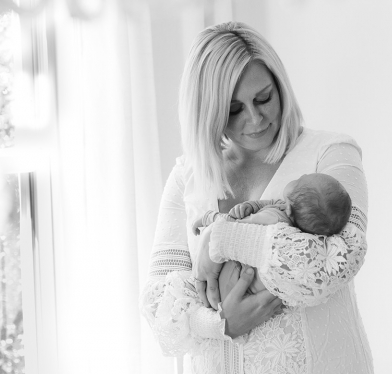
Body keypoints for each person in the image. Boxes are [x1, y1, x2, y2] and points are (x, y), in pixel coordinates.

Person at [140, 22, 372, 374]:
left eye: (264, 98)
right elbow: (159, 306)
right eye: (234, 109)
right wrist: (220, 324)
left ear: (281, 87)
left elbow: (337, 260)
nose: (256, 118)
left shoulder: (330, 155)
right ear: (208, 112)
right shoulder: (187, 177)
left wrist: (222, 238)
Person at [193, 173, 353, 299]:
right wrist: (251, 206)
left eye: (299, 181)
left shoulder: (273, 219)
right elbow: (272, 203)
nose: (302, 175)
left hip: (229, 283)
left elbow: (230, 227)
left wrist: (209, 218)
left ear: (288, 208)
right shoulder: (291, 220)